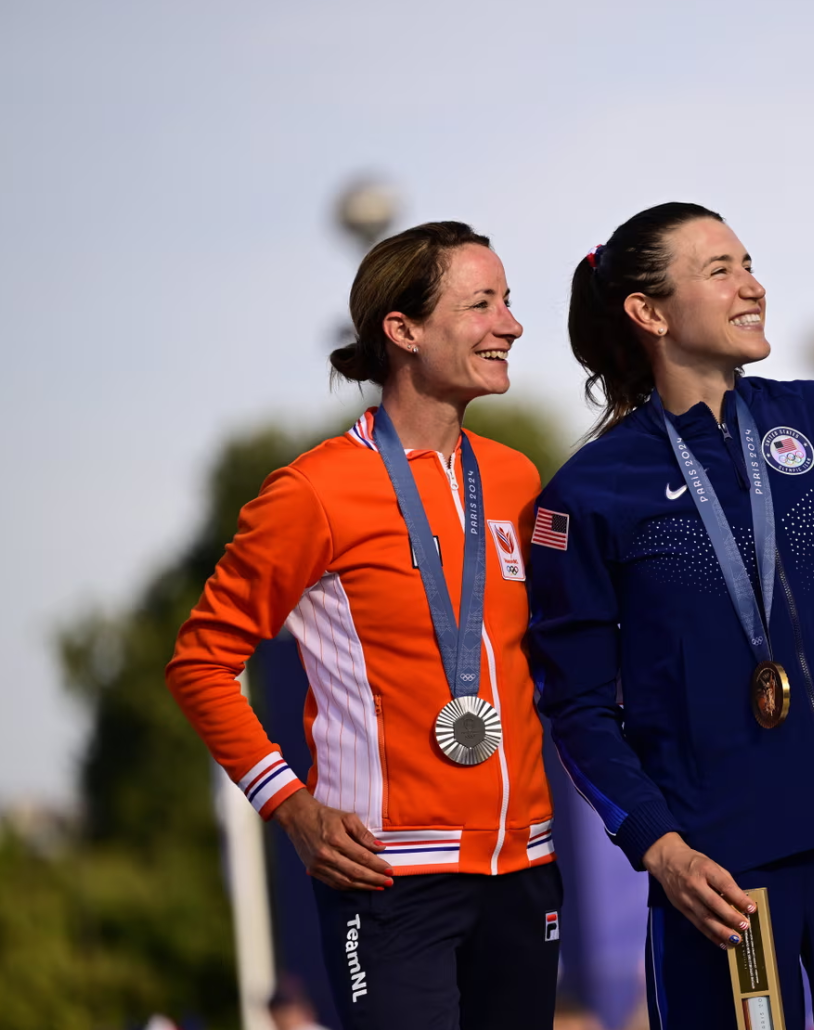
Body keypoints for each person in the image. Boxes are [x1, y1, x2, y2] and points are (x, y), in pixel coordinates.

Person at [526, 202, 814, 1029]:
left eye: (749, 263)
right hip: (723, 873)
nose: (752, 285)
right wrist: (660, 848)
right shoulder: (587, 496)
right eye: (719, 269)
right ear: (649, 313)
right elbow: (576, 708)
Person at [166, 221, 562, 1028]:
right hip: (387, 878)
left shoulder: (519, 480)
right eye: (482, 303)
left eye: (509, 302)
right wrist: (290, 807)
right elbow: (200, 661)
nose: (511, 325)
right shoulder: (313, 492)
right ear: (404, 330)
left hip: (526, 866)